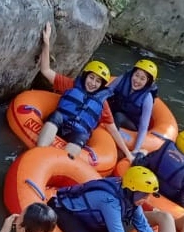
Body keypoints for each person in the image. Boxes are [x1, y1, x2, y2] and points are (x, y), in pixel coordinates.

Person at [37, 22, 133, 161]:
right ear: (85, 76)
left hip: (77, 133)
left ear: (101, 85)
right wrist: (46, 43)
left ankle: (60, 163)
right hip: (60, 122)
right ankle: (39, 153)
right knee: (56, 116)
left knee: (82, 136)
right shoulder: (70, 85)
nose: (93, 83)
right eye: (91, 78)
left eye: (97, 81)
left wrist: (128, 153)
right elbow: (45, 70)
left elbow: (113, 130)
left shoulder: (102, 104)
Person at [134, 129, 184, 210]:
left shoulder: (164, 149)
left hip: (150, 182)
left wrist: (140, 154)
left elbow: (139, 164)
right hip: (171, 197)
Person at [107, 59, 158, 154]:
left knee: (118, 116)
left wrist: (136, 149)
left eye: (142, 79)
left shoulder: (147, 98)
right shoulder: (122, 79)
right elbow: (106, 93)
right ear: (132, 73)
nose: (137, 80)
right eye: (136, 75)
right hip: (115, 110)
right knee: (109, 105)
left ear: (148, 82)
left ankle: (110, 145)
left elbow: (143, 126)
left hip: (131, 122)